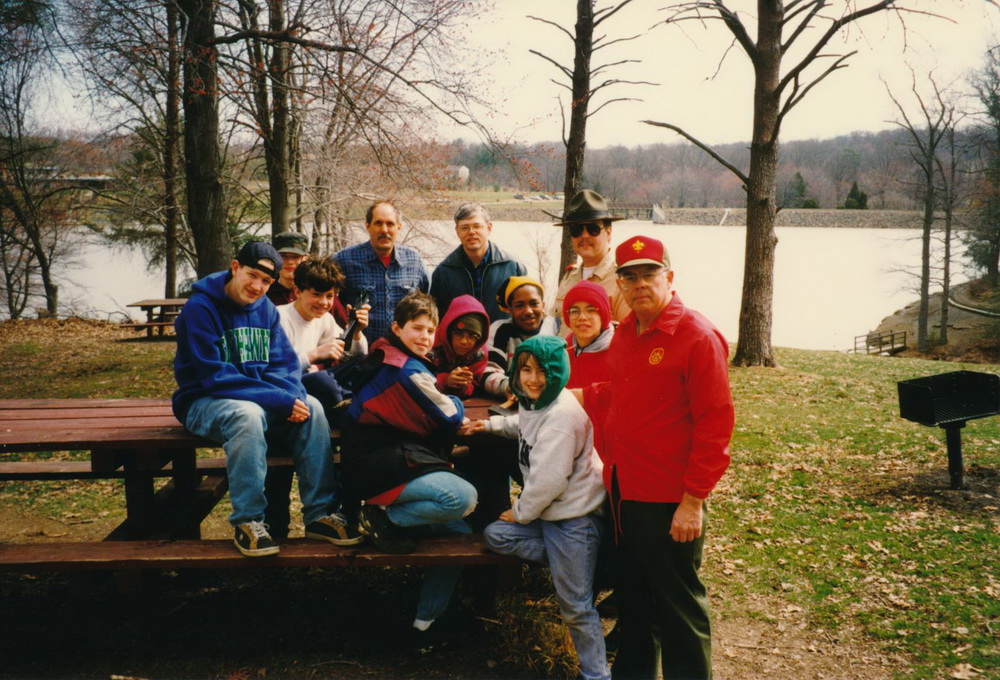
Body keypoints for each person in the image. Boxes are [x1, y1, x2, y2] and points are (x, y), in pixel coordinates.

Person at [578, 235, 734, 679]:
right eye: (629, 276)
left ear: (670, 277)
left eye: (649, 273)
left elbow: (715, 425)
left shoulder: (697, 337)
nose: (639, 284)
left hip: (668, 498)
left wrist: (693, 500)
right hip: (624, 490)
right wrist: (579, 395)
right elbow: (626, 394)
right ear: (620, 284)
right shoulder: (626, 334)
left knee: (678, 606)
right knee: (635, 601)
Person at [172, 241, 362, 557]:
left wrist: (292, 396)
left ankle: (320, 515)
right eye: (252, 275)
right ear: (235, 267)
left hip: (254, 400)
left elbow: (284, 364)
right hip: (203, 401)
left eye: (267, 281)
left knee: (312, 406)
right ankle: (248, 521)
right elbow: (213, 376)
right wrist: (276, 400)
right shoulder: (199, 309)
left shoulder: (264, 310)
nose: (258, 287)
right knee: (246, 415)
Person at [338, 291, 478, 652]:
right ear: (397, 327)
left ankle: (423, 625)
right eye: (417, 328)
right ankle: (383, 514)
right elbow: (450, 415)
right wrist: (456, 398)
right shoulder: (406, 368)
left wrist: (443, 390)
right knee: (462, 498)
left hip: (393, 457)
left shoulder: (396, 355)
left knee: (460, 535)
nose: (425, 337)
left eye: (431, 330)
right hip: (374, 466)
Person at [465, 335, 609, 680]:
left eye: (543, 371)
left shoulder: (561, 415)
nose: (532, 378)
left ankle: (596, 675)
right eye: (525, 369)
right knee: (495, 534)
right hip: (550, 516)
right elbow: (522, 424)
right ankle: (577, 559)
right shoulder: (536, 403)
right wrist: (489, 424)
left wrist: (520, 511)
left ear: (558, 373)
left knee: (574, 606)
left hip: (574, 516)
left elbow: (548, 482)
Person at [276, 258, 370, 418]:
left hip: (318, 378)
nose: (324, 302)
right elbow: (275, 370)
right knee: (322, 380)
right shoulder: (279, 317)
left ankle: (349, 402)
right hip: (290, 381)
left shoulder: (324, 318)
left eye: (329, 296)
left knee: (369, 361)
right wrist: (314, 355)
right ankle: (349, 404)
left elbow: (350, 355)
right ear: (297, 291)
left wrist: (355, 332)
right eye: (316, 295)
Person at [334, 200, 429, 344]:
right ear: (367, 226)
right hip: (360, 353)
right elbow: (326, 302)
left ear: (399, 227)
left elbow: (427, 306)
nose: (384, 230)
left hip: (403, 353)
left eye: (390, 224)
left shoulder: (415, 261)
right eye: (378, 223)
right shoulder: (344, 260)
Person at [430, 203, 526, 323]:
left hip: (501, 339)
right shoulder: (443, 272)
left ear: (489, 228)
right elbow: (435, 319)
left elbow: (524, 313)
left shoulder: (513, 267)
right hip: (460, 340)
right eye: (465, 227)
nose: (471, 232)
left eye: (477, 226)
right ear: (457, 231)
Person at [551, 190, 629, 330]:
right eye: (577, 230)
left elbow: (629, 336)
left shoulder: (624, 280)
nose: (584, 236)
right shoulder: (569, 277)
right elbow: (554, 324)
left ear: (609, 232)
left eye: (593, 229)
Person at [429, 294, 492, 399]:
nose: (464, 341)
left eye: (472, 336)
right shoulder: (432, 344)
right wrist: (445, 380)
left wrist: (462, 385)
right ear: (448, 332)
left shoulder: (479, 354)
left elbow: (475, 385)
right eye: (458, 333)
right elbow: (419, 380)